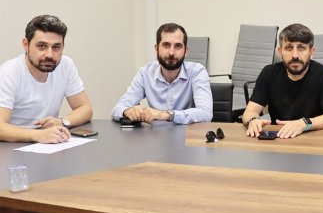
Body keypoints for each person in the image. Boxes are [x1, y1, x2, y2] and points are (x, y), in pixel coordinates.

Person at [0, 15, 93, 143]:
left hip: (47, 144)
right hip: (11, 146)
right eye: (42, 46)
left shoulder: (65, 65)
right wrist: (38, 135)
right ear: (26, 44)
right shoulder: (8, 73)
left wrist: (63, 122)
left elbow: (85, 108)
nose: (49, 54)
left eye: (56, 47)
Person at [242, 23, 323, 139]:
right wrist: (252, 121)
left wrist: (304, 124)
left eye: (301, 48)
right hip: (280, 138)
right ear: (280, 51)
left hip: (314, 138)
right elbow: (250, 111)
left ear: (311, 52)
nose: (295, 55)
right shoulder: (269, 73)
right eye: (289, 48)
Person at [111, 23, 213, 124]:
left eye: (178, 46)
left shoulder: (197, 71)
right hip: (155, 133)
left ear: (185, 51)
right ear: (156, 48)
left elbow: (206, 113)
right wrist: (127, 111)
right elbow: (117, 109)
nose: (171, 52)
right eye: (166, 45)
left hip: (188, 133)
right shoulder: (145, 73)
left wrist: (166, 115)